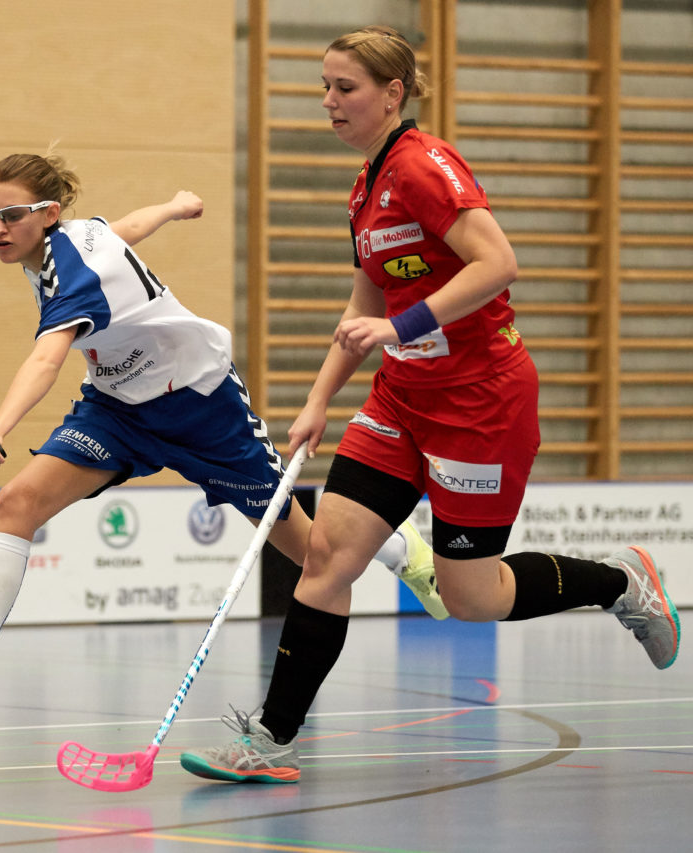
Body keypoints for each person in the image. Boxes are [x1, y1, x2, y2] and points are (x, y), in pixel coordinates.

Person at [179, 25, 680, 785]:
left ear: (392, 93)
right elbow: (364, 305)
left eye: (345, 88)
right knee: (325, 557)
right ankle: (272, 739)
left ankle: (620, 581)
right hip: (400, 399)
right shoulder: (364, 188)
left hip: (480, 403)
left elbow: (498, 262)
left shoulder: (424, 167)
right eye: (324, 86)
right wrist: (317, 401)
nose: (329, 101)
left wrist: (398, 327)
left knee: (469, 596)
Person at [0, 151, 446, 722]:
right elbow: (124, 229)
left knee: (312, 553)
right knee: (18, 502)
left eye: (12, 215)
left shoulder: (74, 274)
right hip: (118, 409)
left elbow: (47, 361)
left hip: (201, 408)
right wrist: (173, 208)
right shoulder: (70, 240)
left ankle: (403, 553)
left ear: (49, 213)